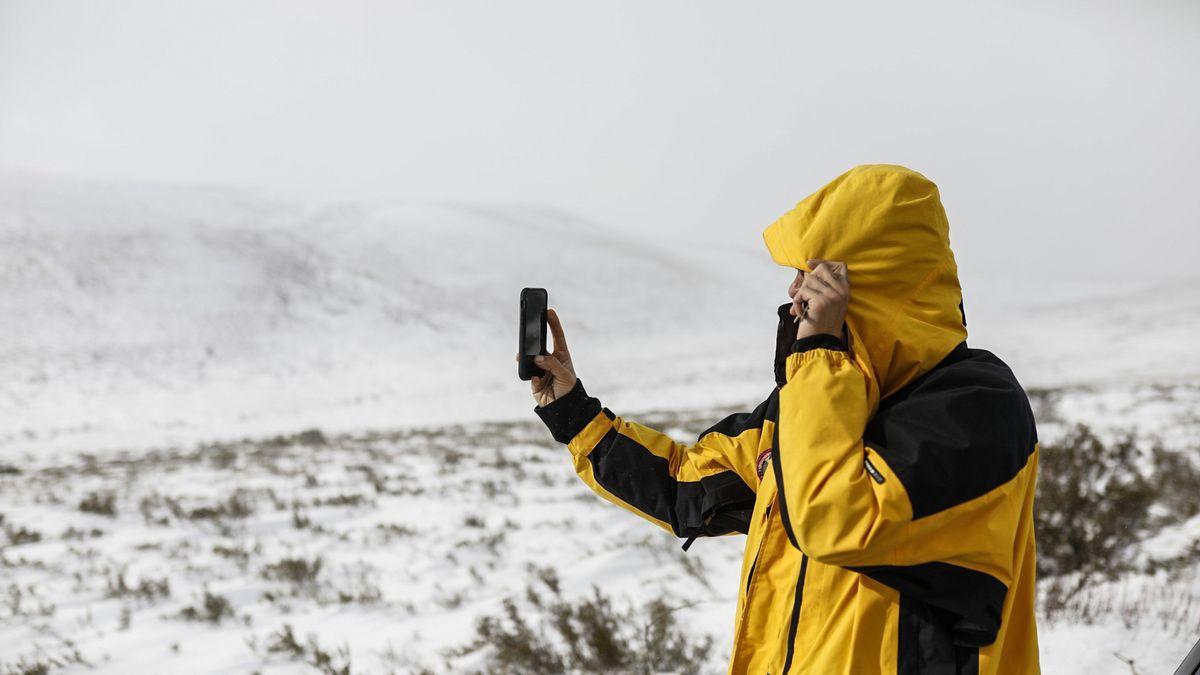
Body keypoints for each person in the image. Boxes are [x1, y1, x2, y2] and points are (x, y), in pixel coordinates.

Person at [516, 164, 1040, 674]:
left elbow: (835, 520)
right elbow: (685, 486)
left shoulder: (974, 408)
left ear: (871, 285)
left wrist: (818, 357)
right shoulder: (810, 402)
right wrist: (573, 411)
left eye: (812, 275)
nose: (794, 292)